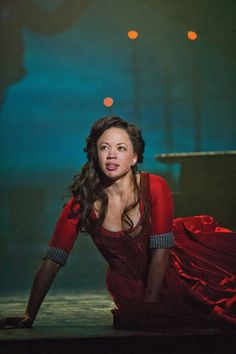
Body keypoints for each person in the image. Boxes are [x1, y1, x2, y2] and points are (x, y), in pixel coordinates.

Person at [0, 116, 236, 330]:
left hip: (178, 270)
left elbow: (161, 251)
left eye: (121, 148)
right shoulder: (81, 203)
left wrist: (149, 308)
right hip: (130, 286)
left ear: (134, 157)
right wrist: (29, 314)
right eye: (105, 148)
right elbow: (53, 260)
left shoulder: (155, 186)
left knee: (216, 314)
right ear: (96, 154)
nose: (112, 155)